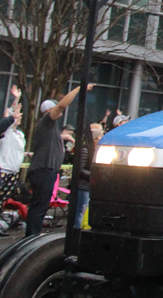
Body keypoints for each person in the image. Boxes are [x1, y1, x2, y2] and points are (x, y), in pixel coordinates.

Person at [26, 84, 93, 236]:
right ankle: (31, 236)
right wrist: (79, 88)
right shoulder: (47, 121)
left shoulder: (51, 128)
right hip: (44, 169)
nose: (60, 111)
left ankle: (32, 235)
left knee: (40, 205)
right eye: (55, 109)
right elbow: (63, 105)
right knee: (39, 206)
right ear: (49, 111)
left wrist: (67, 137)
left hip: (46, 169)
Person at [0, 87, 24, 236]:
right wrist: (16, 99)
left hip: (13, 172)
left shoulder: (19, 134)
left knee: (2, 199)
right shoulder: (7, 132)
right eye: (17, 116)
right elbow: (6, 117)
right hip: (3, 170)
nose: (19, 118)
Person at [74, 122, 104, 229]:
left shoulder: (95, 151)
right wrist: (95, 175)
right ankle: (77, 233)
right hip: (83, 186)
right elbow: (80, 169)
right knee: (81, 211)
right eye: (100, 136)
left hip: (90, 186)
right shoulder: (85, 150)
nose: (101, 138)